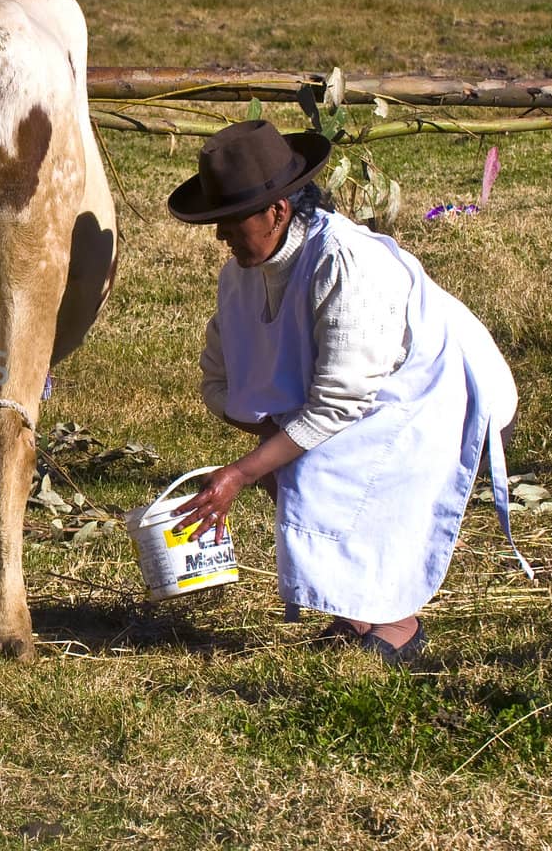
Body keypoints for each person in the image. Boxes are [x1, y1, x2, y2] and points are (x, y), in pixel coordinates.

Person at [166, 119, 531, 665]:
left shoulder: (346, 263)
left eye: (231, 221)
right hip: (355, 394)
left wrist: (245, 470)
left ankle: (396, 618)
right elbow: (220, 379)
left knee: (322, 469)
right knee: (292, 461)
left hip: (430, 387)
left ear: (278, 211)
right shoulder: (241, 276)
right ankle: (356, 608)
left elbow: (342, 399)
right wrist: (268, 445)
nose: (222, 237)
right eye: (216, 223)